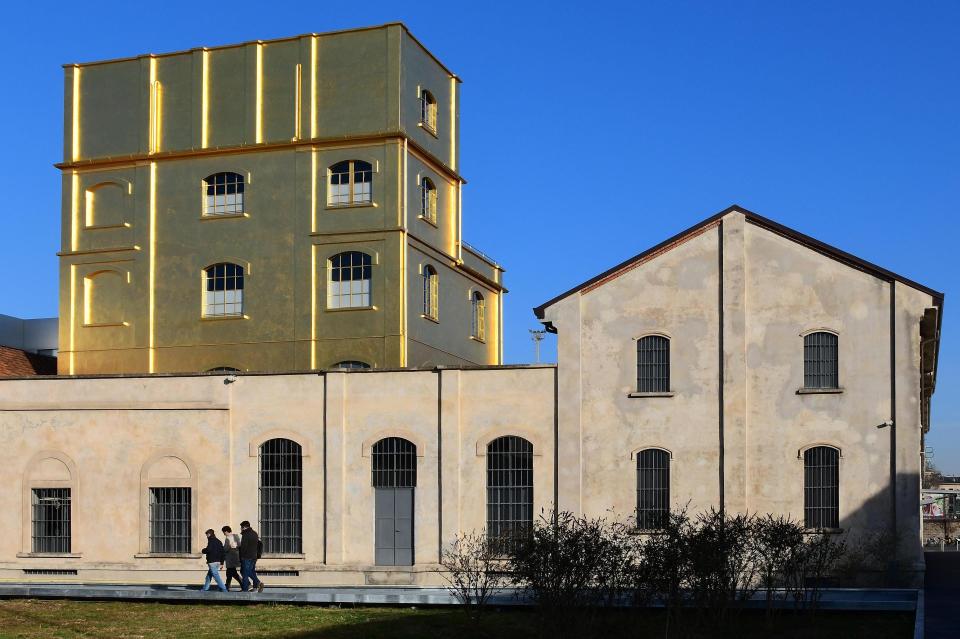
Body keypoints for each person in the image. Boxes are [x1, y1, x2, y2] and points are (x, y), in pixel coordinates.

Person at [238, 520, 264, 593]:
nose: (241, 529)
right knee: (251, 571)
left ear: (244, 527)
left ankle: (246, 589)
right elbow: (259, 544)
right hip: (254, 556)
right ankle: (255, 587)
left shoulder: (245, 535)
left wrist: (240, 554)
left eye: (241, 527)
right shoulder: (254, 533)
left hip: (246, 556)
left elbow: (244, 547)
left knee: (245, 573)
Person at [221, 525, 242, 591]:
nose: (223, 534)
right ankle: (227, 587)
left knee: (231, 573)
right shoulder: (234, 536)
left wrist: (230, 546)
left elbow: (226, 549)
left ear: (226, 531)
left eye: (224, 532)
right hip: (232, 558)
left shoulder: (229, 538)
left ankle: (227, 587)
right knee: (231, 573)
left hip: (232, 558)